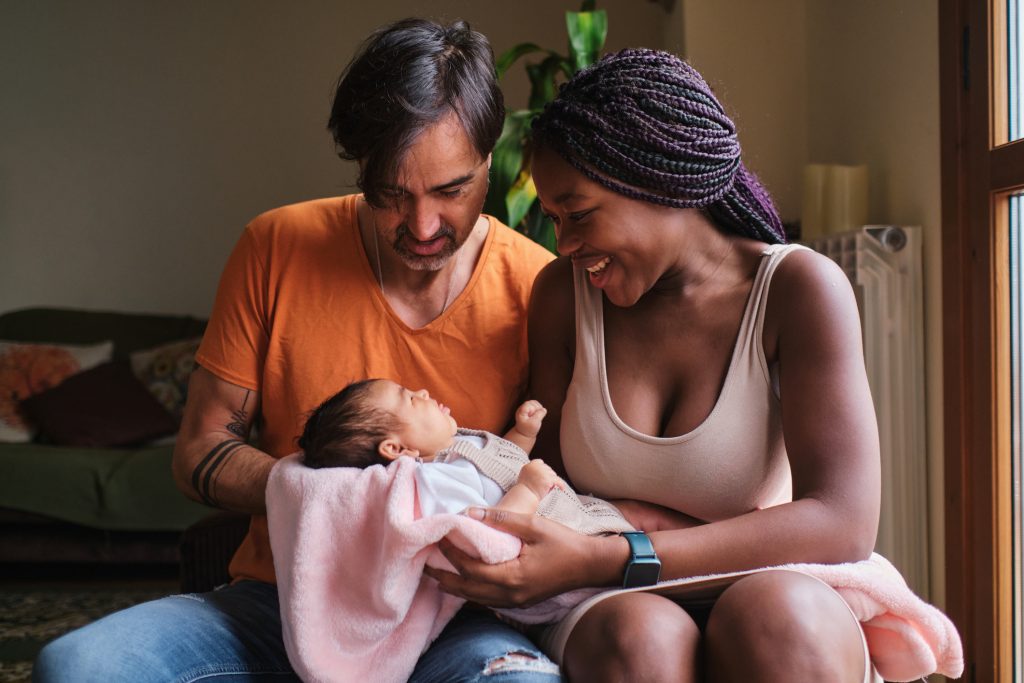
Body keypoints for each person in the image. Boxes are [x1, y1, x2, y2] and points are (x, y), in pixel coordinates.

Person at [33, 18, 556, 683]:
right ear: (360, 165)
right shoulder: (276, 245)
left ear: (491, 159)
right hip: (279, 603)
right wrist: (330, 497)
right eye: (391, 195)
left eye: (450, 191)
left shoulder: (540, 286)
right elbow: (198, 451)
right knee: (75, 665)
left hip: (460, 614)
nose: (422, 226)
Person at [423, 48, 885, 683]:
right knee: (642, 643)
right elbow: (547, 478)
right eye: (555, 220)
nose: (565, 244)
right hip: (607, 602)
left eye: (578, 214)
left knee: (784, 626)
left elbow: (843, 519)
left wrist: (618, 553)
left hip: (756, 578)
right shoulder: (563, 296)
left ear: (658, 178)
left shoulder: (797, 288)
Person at [298, 378, 637, 534]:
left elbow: (498, 469)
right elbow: (487, 529)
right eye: (412, 399)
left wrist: (522, 433)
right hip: (570, 539)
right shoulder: (436, 481)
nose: (424, 392)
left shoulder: (453, 451)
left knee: (644, 528)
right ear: (397, 449)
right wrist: (530, 491)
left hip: (583, 514)